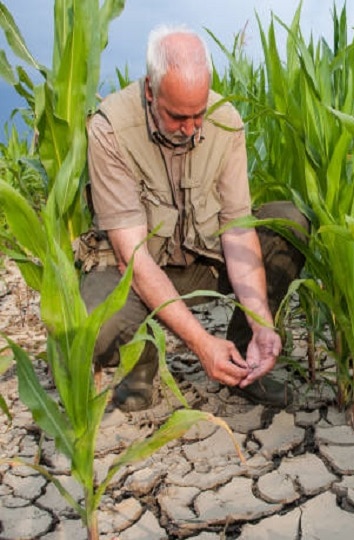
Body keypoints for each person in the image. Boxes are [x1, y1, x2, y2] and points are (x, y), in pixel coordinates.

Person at [79, 24, 308, 412]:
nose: (190, 128)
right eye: (177, 117)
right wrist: (202, 345)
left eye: (198, 114)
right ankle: (140, 364)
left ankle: (242, 362)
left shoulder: (226, 121)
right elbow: (132, 260)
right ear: (151, 91)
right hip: (134, 272)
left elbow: (238, 232)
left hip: (201, 263)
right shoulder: (110, 129)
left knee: (290, 223)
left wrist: (261, 323)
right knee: (91, 326)